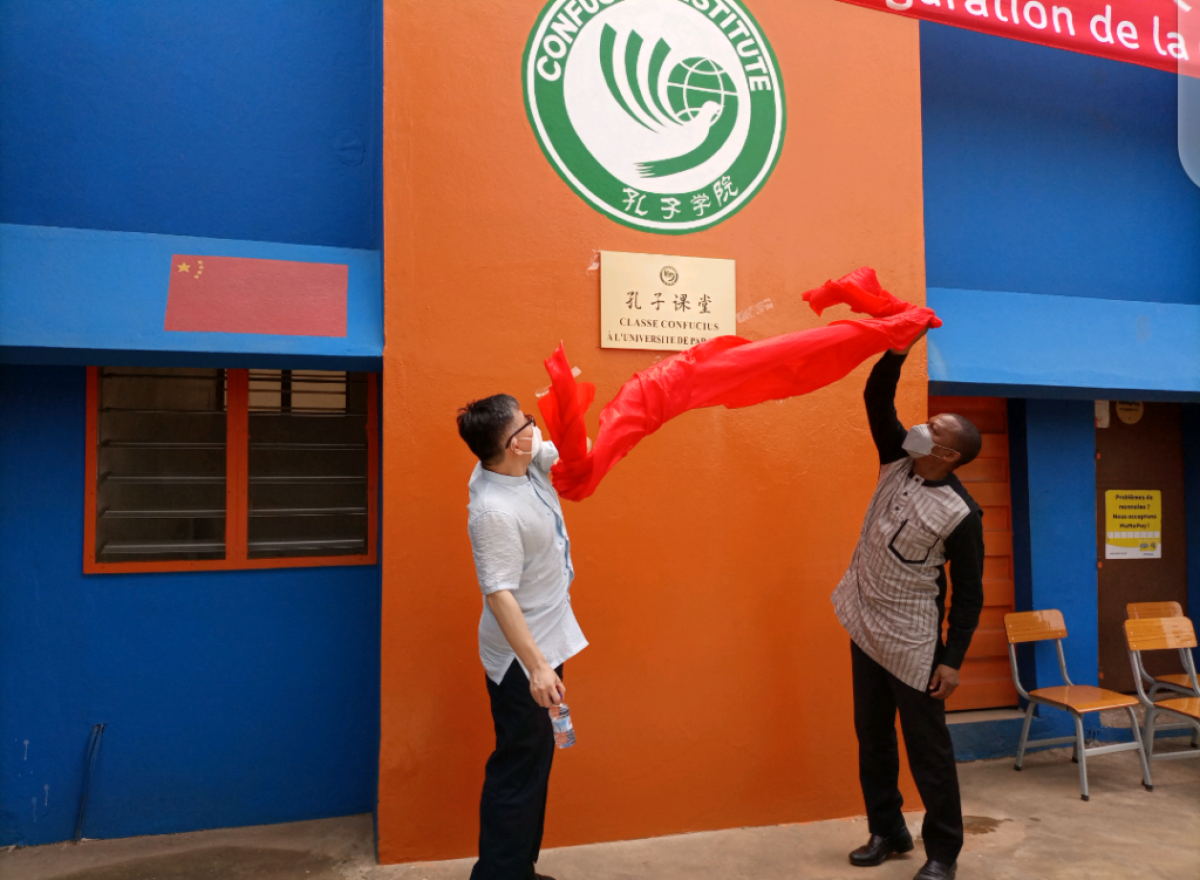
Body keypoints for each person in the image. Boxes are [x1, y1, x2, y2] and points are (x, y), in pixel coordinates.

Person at [831, 331, 985, 880]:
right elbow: (877, 398)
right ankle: (887, 830)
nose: (922, 427)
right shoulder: (897, 458)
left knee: (928, 751)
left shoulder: (962, 515)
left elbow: (970, 594)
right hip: (863, 620)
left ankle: (942, 852)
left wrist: (953, 659)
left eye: (934, 429)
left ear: (945, 454)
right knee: (871, 735)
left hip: (914, 642)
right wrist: (898, 348)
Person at [457, 394, 588, 880]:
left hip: (546, 642)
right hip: (521, 659)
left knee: (534, 762)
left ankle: (517, 871)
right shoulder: (493, 511)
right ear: (511, 444)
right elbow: (499, 595)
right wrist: (536, 668)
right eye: (527, 424)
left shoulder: (522, 462)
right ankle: (497, 875)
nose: (534, 429)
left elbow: (579, 450)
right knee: (519, 765)